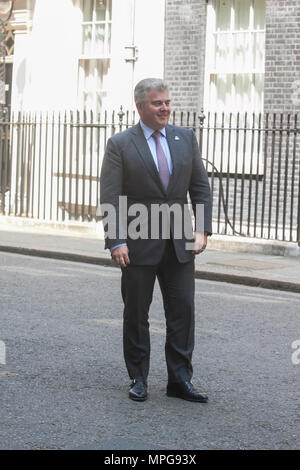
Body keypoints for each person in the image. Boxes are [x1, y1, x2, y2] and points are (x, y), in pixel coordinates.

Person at [100, 78, 212, 402]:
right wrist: (116, 240)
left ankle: (179, 380)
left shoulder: (185, 139)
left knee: (183, 312)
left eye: (166, 102)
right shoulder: (120, 144)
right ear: (140, 107)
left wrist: (202, 228)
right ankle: (138, 377)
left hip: (179, 242)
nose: (164, 108)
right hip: (137, 241)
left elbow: (200, 187)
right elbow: (111, 197)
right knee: (137, 313)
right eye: (157, 103)